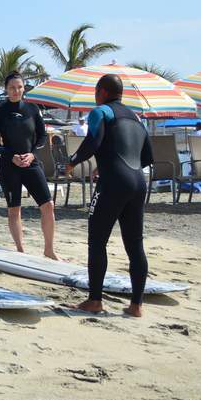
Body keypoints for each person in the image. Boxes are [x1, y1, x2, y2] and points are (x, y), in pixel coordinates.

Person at [65, 73, 153, 318]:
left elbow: (93, 141)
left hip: (113, 183)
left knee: (97, 241)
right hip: (138, 182)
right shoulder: (136, 118)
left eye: (96, 92)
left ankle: (95, 301)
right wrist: (110, 163)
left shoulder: (100, 112)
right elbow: (146, 156)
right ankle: (136, 306)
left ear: (102, 91)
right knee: (135, 244)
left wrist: (72, 161)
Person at [0, 72, 59, 260]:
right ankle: (20, 250)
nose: (16, 91)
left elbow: (42, 137)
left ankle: (49, 250)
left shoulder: (32, 109)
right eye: (12, 88)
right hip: (9, 166)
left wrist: (32, 154)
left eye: (19, 87)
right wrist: (11, 156)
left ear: (24, 88)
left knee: (48, 205)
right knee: (14, 209)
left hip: (31, 163)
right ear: (6, 89)